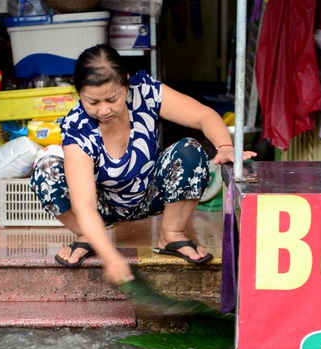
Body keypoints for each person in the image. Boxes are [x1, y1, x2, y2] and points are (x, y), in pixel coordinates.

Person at [30, 44, 256, 285]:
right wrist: (111, 257)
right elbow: (84, 205)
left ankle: (172, 234)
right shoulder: (77, 128)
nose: (104, 110)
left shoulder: (144, 92)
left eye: (112, 98)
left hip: (151, 193)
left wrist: (225, 147)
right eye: (92, 102)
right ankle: (88, 236)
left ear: (126, 84)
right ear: (79, 93)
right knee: (46, 169)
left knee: (190, 149)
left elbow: (203, 115)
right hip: (101, 206)